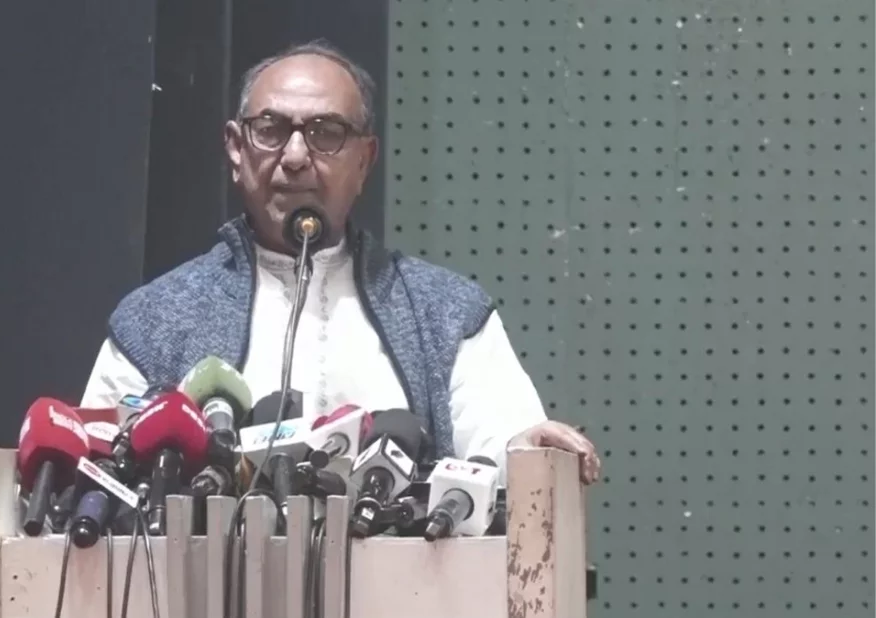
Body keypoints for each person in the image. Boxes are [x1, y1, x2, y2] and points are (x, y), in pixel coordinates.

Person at [81, 40, 600, 485]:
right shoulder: (154, 320)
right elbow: (93, 474)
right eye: (270, 129)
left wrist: (528, 450)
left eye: (326, 132)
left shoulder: (445, 313)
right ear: (236, 150)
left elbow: (504, 452)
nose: (294, 156)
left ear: (364, 160)